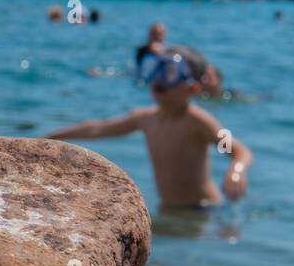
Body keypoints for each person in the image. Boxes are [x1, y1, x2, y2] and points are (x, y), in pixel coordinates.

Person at [47, 45, 252, 207]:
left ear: (192, 88)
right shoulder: (146, 119)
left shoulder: (197, 121)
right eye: (156, 69)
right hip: (169, 209)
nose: (159, 79)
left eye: (170, 72)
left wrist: (236, 170)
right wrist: (48, 138)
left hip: (204, 209)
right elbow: (98, 128)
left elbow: (239, 150)